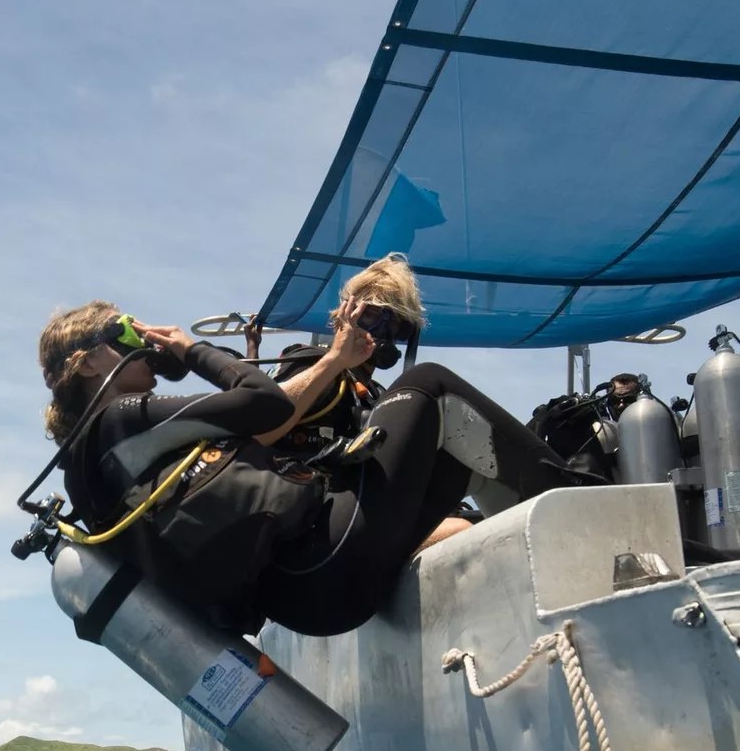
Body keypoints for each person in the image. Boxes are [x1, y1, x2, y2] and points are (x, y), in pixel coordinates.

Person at [36, 256, 584, 638]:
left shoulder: (99, 454)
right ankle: (592, 512)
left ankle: (561, 561)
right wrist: (192, 347)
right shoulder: (120, 421)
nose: (141, 347)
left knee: (452, 467)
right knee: (434, 385)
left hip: (305, 584)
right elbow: (266, 408)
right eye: (125, 337)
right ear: (86, 363)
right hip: (317, 565)